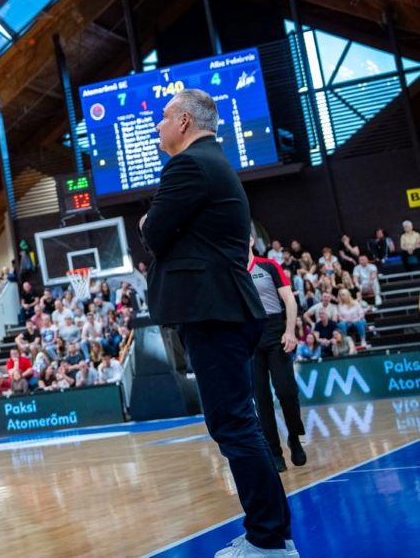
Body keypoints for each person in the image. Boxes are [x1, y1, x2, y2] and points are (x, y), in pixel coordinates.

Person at [139, 89, 294, 558]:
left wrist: (149, 224)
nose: (158, 126)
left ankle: (268, 540)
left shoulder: (189, 165)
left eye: (164, 117)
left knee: (235, 427)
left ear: (184, 121)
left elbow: (153, 232)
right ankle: (270, 535)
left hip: (216, 312)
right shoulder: (212, 162)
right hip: (223, 310)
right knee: (238, 424)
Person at [247, 234, 307, 473]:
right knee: (261, 399)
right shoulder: (231, 271)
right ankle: (274, 451)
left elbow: (290, 301)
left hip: (275, 333)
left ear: (251, 241)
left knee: (286, 391)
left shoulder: (269, 265)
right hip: (249, 338)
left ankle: (294, 437)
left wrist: (290, 331)